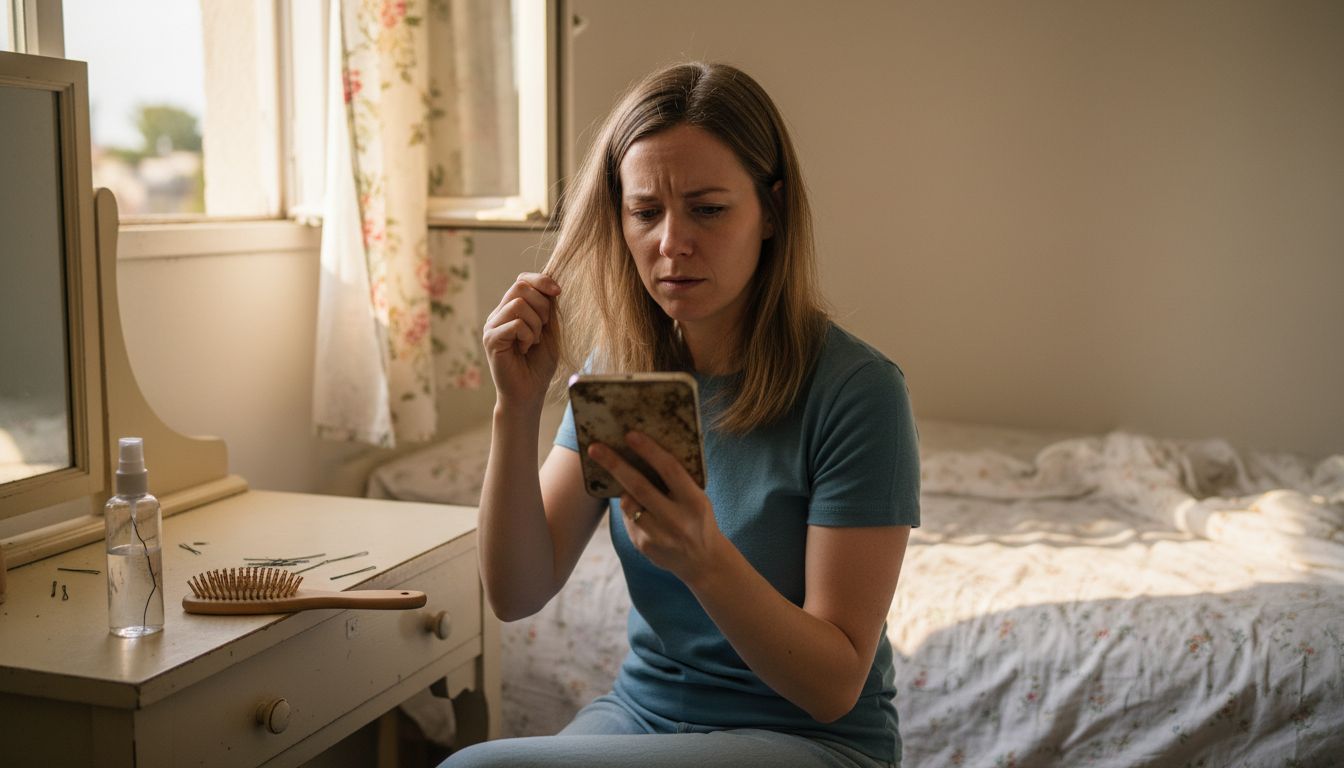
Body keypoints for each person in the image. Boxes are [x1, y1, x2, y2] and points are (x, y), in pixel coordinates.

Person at [448, 61, 920, 768]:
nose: (671, 242)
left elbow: (833, 688)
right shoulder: (621, 373)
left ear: (773, 212)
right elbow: (516, 593)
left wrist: (706, 561)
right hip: (642, 715)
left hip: (810, 740)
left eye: (707, 208)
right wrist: (514, 410)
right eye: (645, 212)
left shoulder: (857, 392)